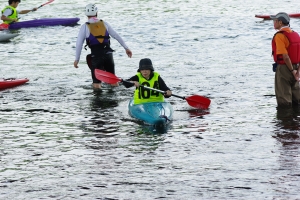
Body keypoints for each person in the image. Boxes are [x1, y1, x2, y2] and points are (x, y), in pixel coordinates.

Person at [74, 3, 132, 90]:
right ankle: (114, 101)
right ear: (96, 13)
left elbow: (79, 44)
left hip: (96, 56)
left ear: (86, 14)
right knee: (113, 81)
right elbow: (116, 36)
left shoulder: (85, 27)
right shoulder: (104, 23)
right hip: (108, 55)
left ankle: (98, 102)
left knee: (97, 84)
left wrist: (77, 59)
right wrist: (126, 48)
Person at [270, 12, 300, 107]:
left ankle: (285, 121)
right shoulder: (296, 35)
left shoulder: (280, 36)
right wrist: (297, 72)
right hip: (296, 67)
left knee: (284, 100)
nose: (274, 23)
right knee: (296, 99)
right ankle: (296, 120)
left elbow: (285, 56)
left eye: (275, 21)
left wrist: (291, 71)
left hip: (284, 69)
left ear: (280, 22)